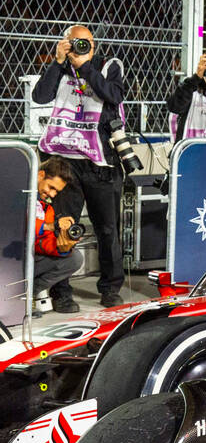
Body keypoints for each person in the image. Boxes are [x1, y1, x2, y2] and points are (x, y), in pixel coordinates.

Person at [31, 24, 126, 306]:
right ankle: (61, 293)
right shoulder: (60, 66)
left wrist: (85, 67)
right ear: (65, 43)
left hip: (100, 161)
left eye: (86, 43)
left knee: (108, 229)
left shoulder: (108, 65)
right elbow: (40, 96)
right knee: (62, 225)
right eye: (75, 43)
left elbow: (114, 95)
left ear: (94, 45)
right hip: (65, 161)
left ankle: (110, 289)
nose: (81, 48)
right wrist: (58, 62)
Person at [32, 156, 84, 314]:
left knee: (74, 258)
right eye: (51, 187)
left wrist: (62, 246)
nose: (53, 194)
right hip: (9, 259)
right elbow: (19, 228)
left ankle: (23, 296)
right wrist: (52, 225)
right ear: (40, 175)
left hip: (27, 258)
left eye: (56, 191)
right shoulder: (16, 192)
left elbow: (42, 243)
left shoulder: (46, 207)